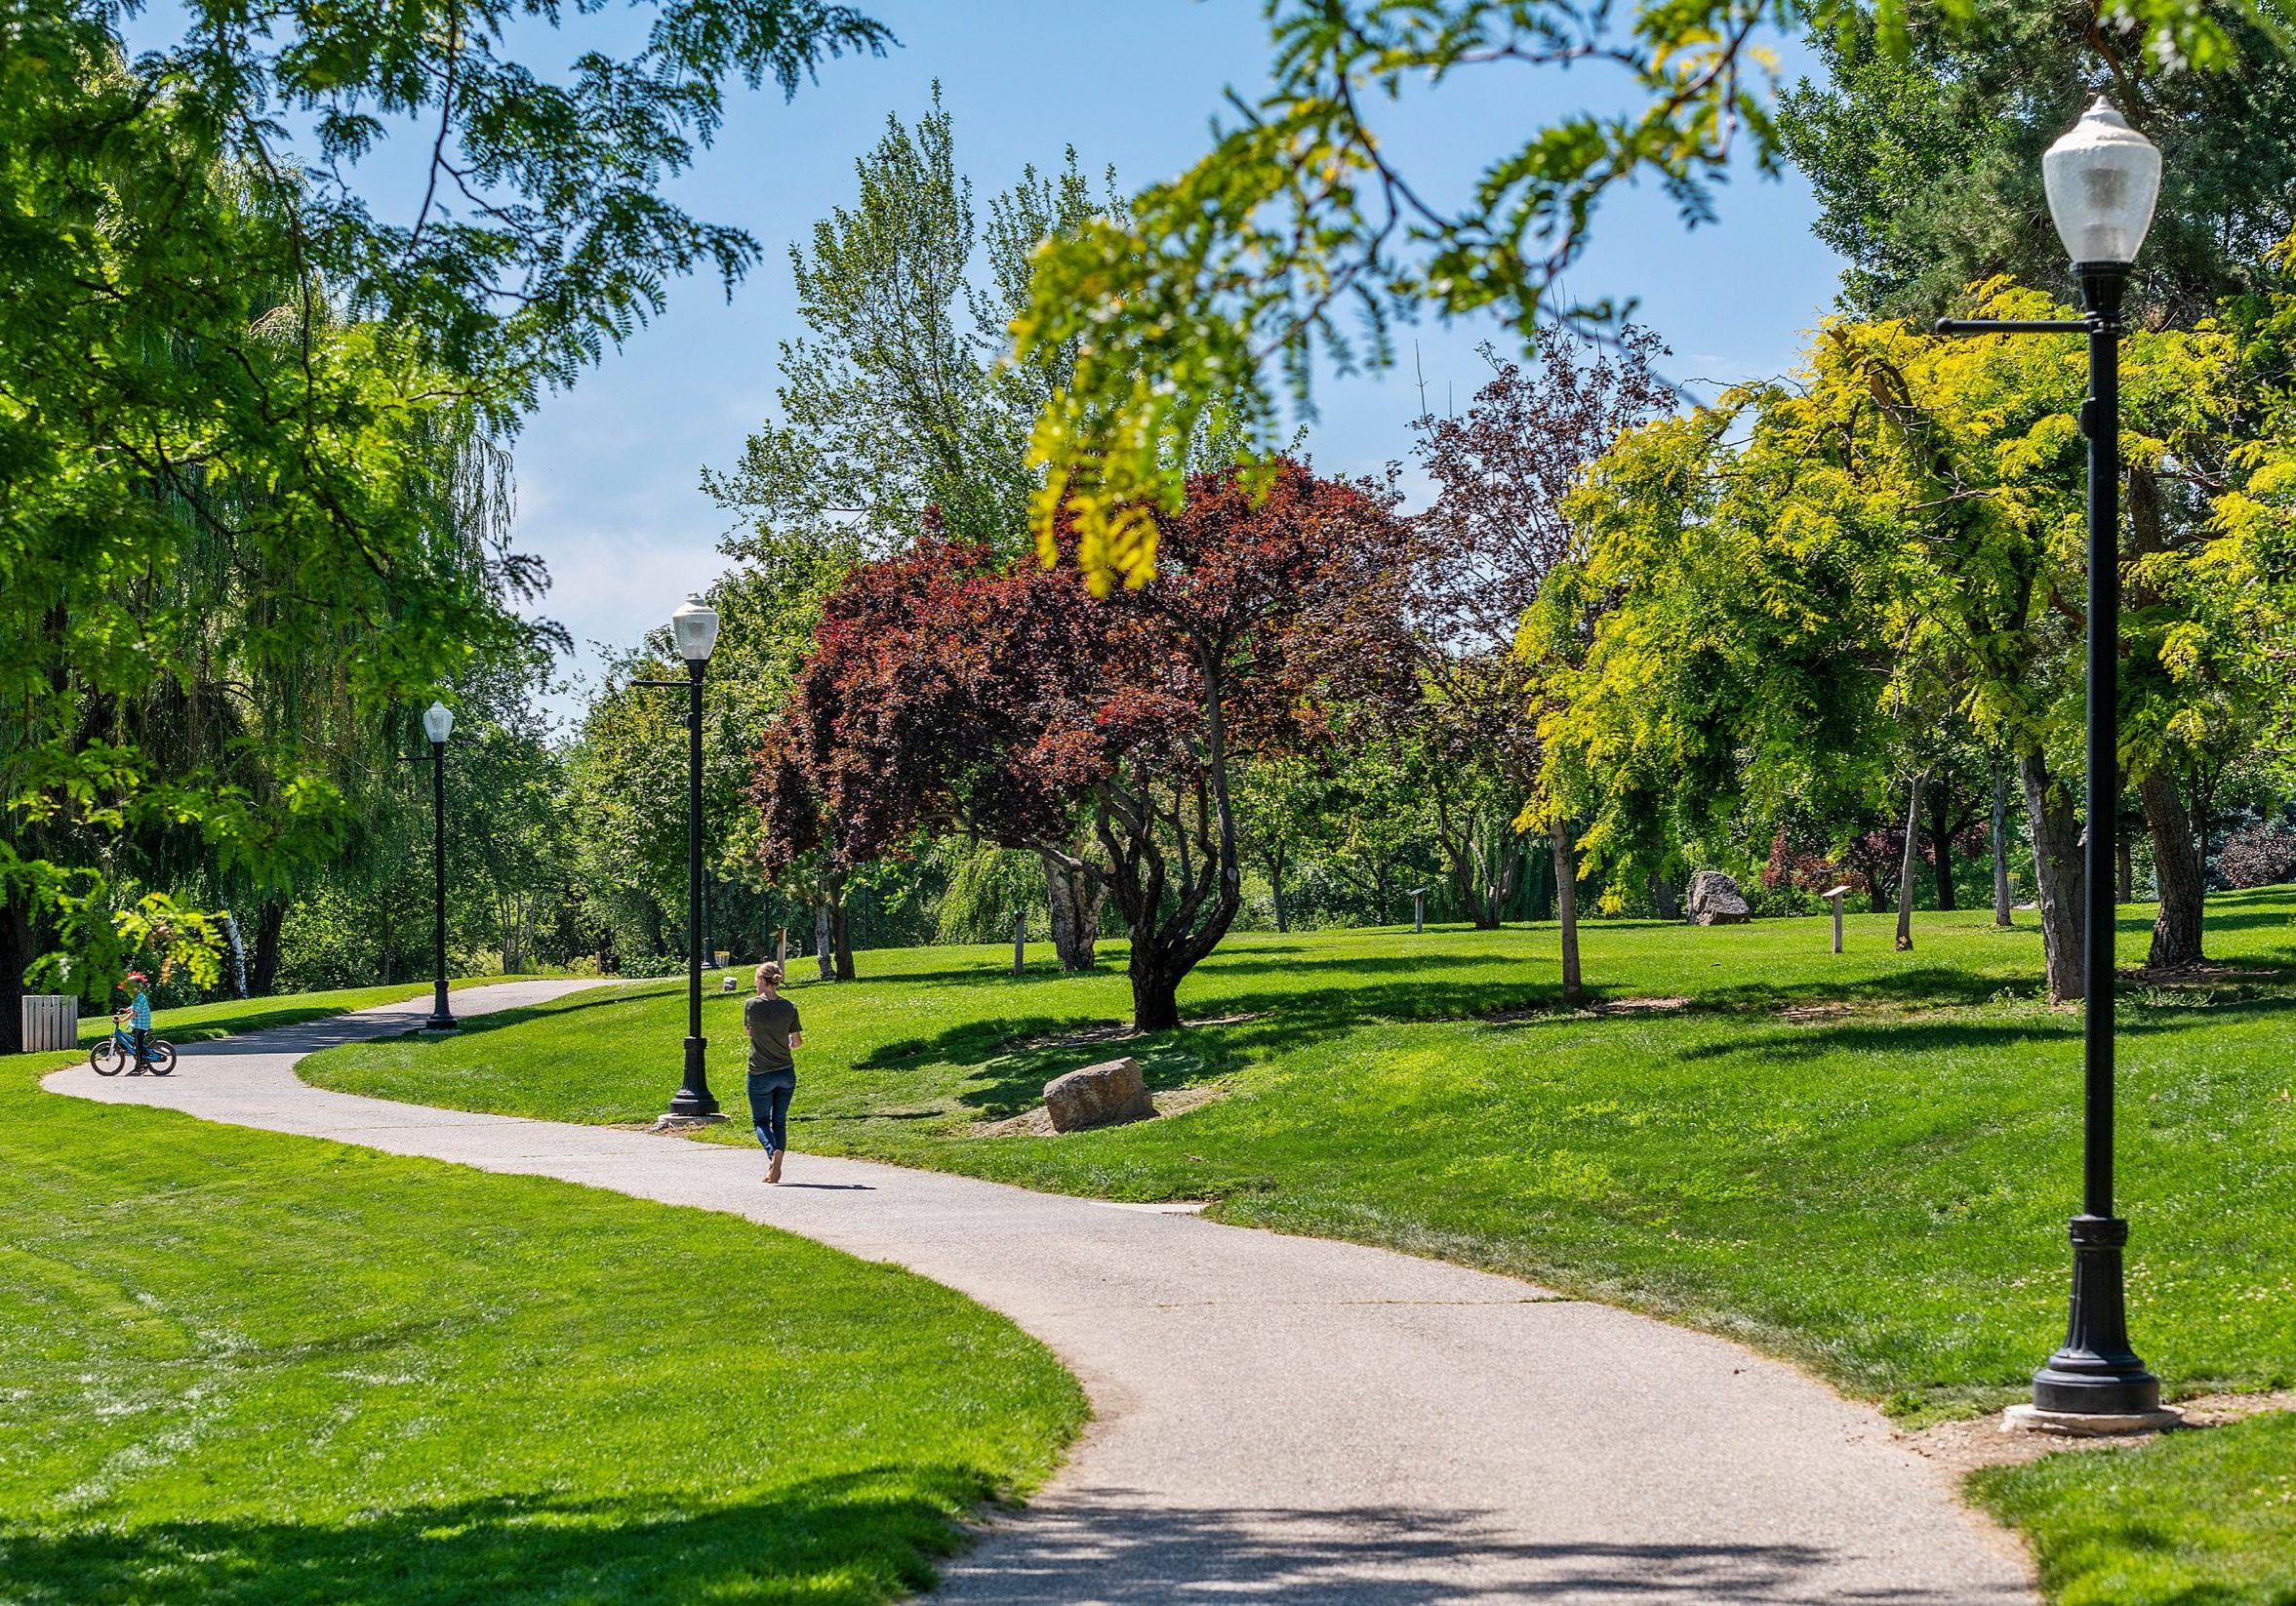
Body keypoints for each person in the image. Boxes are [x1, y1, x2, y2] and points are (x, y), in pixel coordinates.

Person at [744, 960, 802, 1184]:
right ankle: (774, 1168)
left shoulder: (751, 1005)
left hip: (760, 1072)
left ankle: (772, 1152)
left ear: (761, 980)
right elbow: (796, 1042)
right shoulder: (789, 1006)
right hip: (786, 1072)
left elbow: (749, 1032)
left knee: (760, 1121)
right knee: (779, 1121)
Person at [124, 973, 154, 1074]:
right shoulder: (138, 997)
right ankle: (141, 1061)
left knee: (138, 1045)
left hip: (141, 1025)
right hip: (138, 1024)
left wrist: (122, 1020)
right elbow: (133, 1007)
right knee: (137, 1043)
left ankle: (140, 1065)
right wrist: (126, 1009)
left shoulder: (140, 998)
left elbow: (134, 1013)